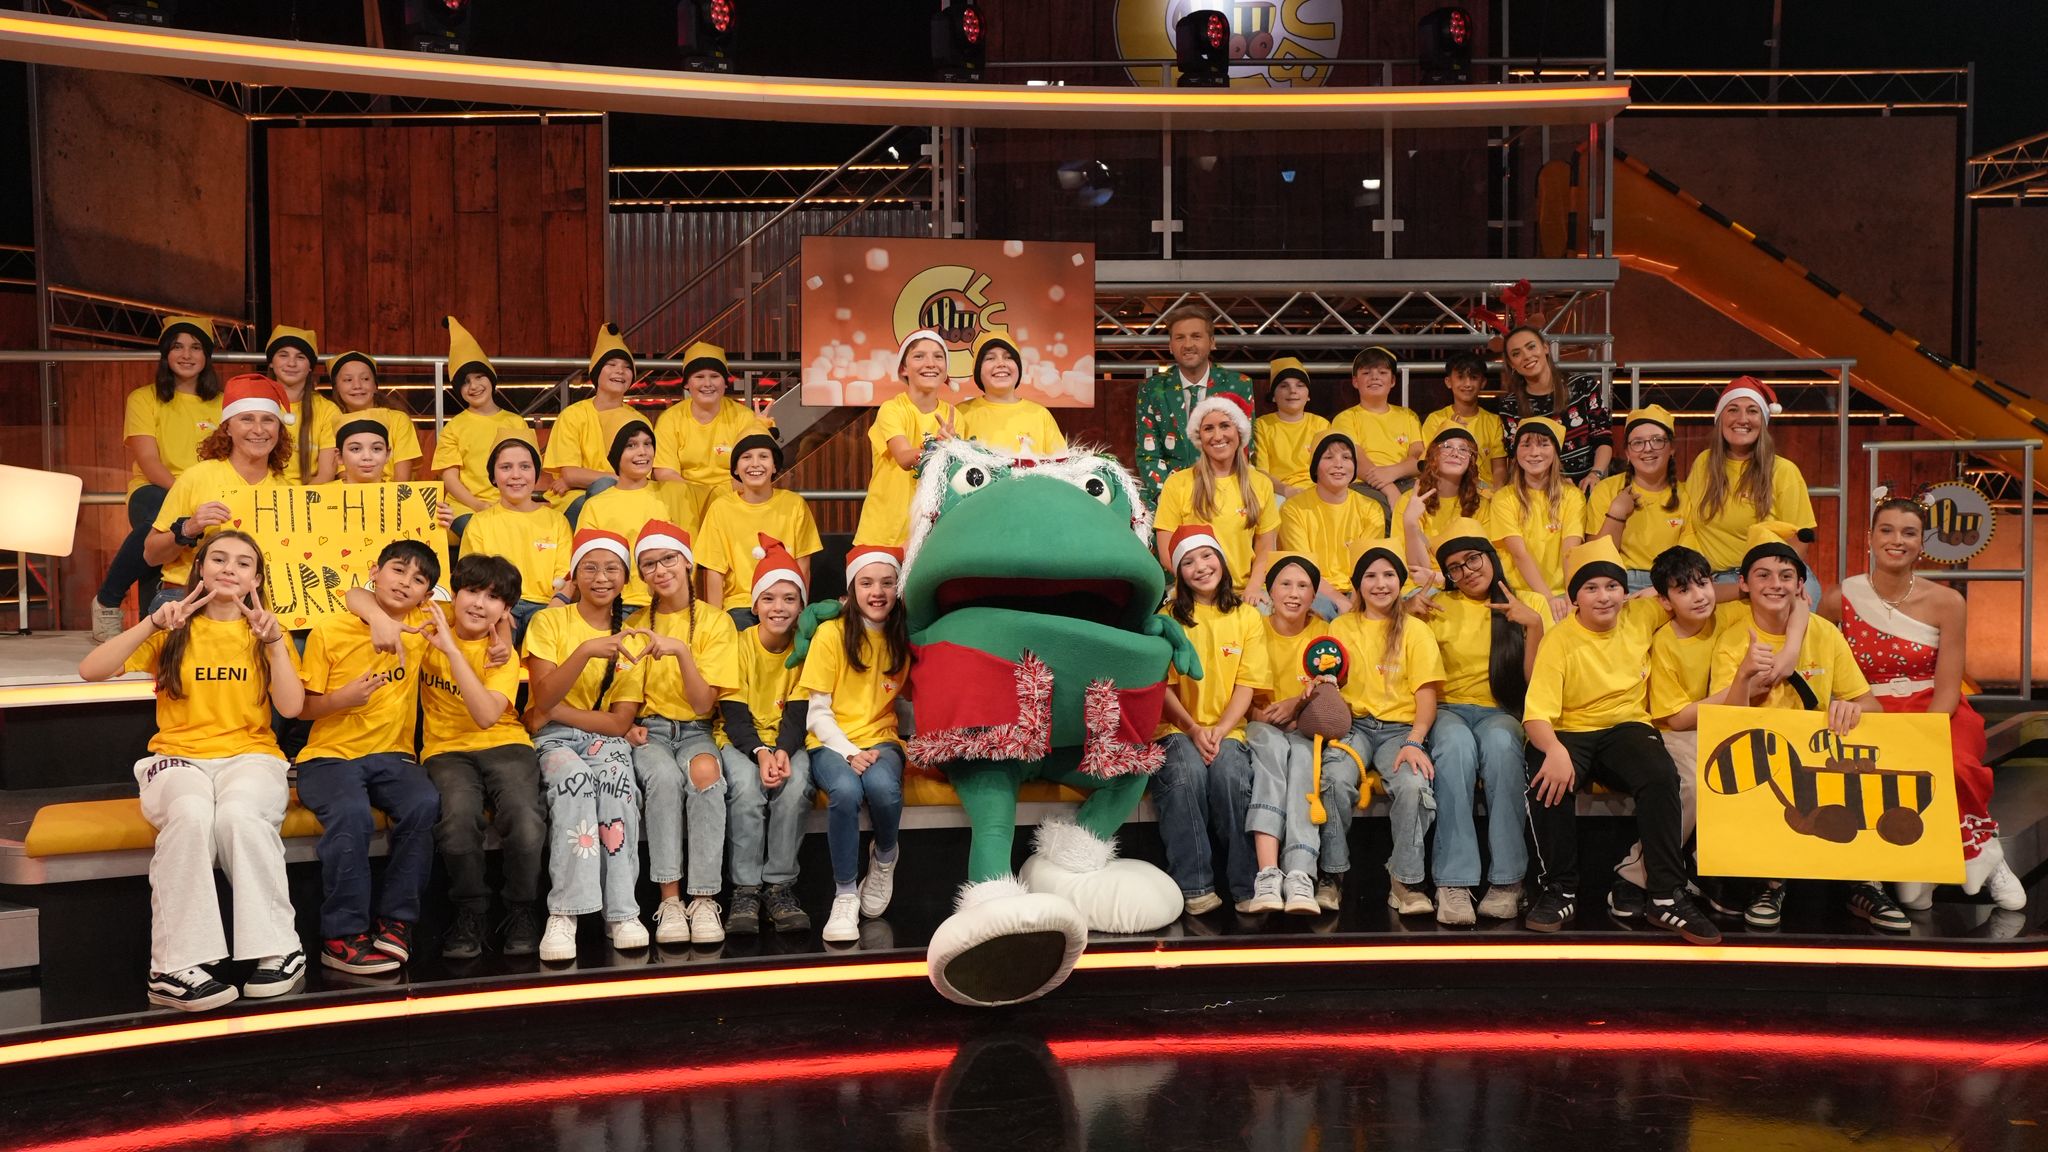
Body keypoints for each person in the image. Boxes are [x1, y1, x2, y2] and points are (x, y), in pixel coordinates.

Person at [78, 530, 304, 1012]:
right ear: (199, 569)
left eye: (243, 563)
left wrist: (274, 643)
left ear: (256, 579)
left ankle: (279, 949)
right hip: (177, 758)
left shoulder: (268, 631)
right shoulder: (172, 628)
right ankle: (172, 968)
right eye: (218, 559)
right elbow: (90, 670)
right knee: (191, 814)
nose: (229, 569)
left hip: (251, 755)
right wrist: (151, 624)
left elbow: (291, 706)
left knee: (239, 816)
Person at [1829, 494, 2025, 911]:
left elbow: (1949, 689)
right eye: (1886, 530)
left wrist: (1923, 737)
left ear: (1922, 543)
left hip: (1936, 709)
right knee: (1912, 898)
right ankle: (1916, 861)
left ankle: (1986, 854)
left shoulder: (1948, 602)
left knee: (1953, 764)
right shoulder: (1839, 598)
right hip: (1870, 710)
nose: (1896, 540)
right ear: (1869, 537)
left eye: (1909, 533)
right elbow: (1818, 663)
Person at [1522, 536, 1722, 944]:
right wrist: (1555, 750)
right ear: (1575, 598)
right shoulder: (1559, 640)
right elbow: (1536, 715)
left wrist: (1771, 594)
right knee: (1546, 780)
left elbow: (1690, 593)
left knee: (1661, 775)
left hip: (1626, 726)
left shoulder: (1641, 613)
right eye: (1591, 588)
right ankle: (1560, 888)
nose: (1604, 597)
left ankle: (1665, 894)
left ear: (1624, 592)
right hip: (1570, 730)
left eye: (1612, 586)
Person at [1712, 522, 1899, 932]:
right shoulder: (1732, 640)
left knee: (1862, 769)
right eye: (1763, 575)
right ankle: (1769, 882)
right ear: (1743, 584)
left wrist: (1851, 709)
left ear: (1800, 586)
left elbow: (1872, 705)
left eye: (1786, 576)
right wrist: (1744, 678)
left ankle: (1864, 882)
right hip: (1768, 759)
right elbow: (1726, 727)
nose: (1775, 585)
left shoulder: (1825, 634)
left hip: (1821, 756)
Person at [292, 541, 442, 975]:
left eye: (418, 579)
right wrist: (342, 699)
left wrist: (504, 633)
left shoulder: (421, 626)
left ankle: (397, 922)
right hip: (328, 757)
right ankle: (341, 936)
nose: (405, 583)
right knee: (352, 815)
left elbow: (482, 607)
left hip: (393, 756)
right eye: (398, 570)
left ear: (426, 594)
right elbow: (302, 708)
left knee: (424, 803)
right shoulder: (330, 630)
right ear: (375, 571)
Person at [1607, 544, 1773, 921]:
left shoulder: (1729, 615)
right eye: (1684, 590)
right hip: (1677, 731)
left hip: (1723, 726)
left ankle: (1715, 869)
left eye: (1703, 583)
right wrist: (1740, 689)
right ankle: (1635, 874)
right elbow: (1678, 718)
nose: (1699, 596)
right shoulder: (1665, 642)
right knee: (1691, 785)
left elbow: (1785, 607)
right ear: (1665, 602)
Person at [522, 528, 651, 962]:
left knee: (617, 782)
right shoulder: (547, 622)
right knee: (574, 782)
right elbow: (542, 695)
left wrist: (552, 710)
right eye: (590, 568)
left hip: (601, 737)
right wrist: (586, 651)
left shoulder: (632, 639)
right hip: (553, 740)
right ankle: (565, 912)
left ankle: (623, 912)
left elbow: (618, 723)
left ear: (625, 578)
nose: (601, 577)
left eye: (612, 568)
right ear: (574, 575)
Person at [1407, 519, 1543, 923]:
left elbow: (1535, 684)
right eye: (1455, 567)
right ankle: (1453, 881)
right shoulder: (1436, 605)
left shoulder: (1527, 603)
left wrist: (1533, 627)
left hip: (1501, 711)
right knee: (1454, 748)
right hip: (1448, 710)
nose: (1466, 571)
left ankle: (1508, 881)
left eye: (1472, 559)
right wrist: (1407, 612)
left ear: (1490, 557)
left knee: (1502, 747)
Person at [615, 520, 742, 946]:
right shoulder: (636, 624)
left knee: (706, 774)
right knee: (664, 779)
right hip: (650, 731)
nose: (660, 570)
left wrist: (682, 652)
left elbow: (704, 704)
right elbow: (627, 700)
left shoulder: (717, 622)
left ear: (687, 562)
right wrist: (627, 728)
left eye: (668, 558)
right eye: (649, 564)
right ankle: (669, 900)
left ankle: (703, 898)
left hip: (696, 729)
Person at [419, 553, 547, 960]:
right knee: (457, 819)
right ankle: (470, 911)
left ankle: (521, 910)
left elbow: (487, 715)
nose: (478, 603)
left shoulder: (502, 655)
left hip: (505, 742)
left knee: (525, 820)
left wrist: (455, 652)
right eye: (471, 591)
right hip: (445, 749)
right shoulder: (432, 620)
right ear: (453, 594)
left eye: (493, 598)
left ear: (507, 610)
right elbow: (357, 596)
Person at [1150, 525, 1270, 915]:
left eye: (1207, 556)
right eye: (1188, 562)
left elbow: (1247, 685)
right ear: (1179, 573)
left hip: (1228, 729)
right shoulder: (1168, 618)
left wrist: (1219, 730)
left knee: (1231, 776)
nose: (1200, 567)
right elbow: (1163, 688)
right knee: (1185, 773)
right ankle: (1195, 884)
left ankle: (1246, 885)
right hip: (1177, 727)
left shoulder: (1247, 616)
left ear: (1221, 559)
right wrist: (1193, 728)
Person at [1324, 541, 1446, 918]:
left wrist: (1415, 741)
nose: (1380, 584)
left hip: (1401, 730)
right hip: (1354, 726)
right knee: (1333, 779)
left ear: (1401, 581)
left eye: (1389, 575)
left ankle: (1406, 881)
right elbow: (1331, 681)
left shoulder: (1416, 630)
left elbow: (1426, 696)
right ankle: (1331, 875)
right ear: (1357, 584)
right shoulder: (1340, 626)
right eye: (1370, 576)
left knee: (1413, 785)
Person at [800, 545, 911, 944]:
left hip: (881, 739)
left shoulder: (903, 636)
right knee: (845, 791)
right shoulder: (830, 635)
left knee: (883, 788)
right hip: (831, 742)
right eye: (866, 583)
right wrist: (850, 752)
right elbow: (817, 713)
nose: (877, 592)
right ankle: (845, 892)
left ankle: (884, 857)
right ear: (851, 589)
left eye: (887, 583)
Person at [93, 315, 224, 642]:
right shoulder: (143, 398)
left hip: (208, 491)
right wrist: (185, 495)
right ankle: (109, 600)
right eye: (177, 346)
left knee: (173, 534)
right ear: (165, 353)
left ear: (206, 356)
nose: (186, 354)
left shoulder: (224, 403)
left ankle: (152, 628)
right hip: (154, 488)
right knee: (160, 521)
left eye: (196, 347)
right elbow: (149, 462)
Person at [717, 536, 814, 935]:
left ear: (801, 606)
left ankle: (779, 886)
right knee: (745, 788)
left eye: (790, 599)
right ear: (754, 605)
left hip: (788, 740)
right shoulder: (737, 644)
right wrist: (760, 751)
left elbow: (799, 711)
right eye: (769, 598)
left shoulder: (806, 650)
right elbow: (734, 714)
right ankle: (745, 890)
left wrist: (783, 751)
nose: (779, 607)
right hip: (741, 740)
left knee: (797, 785)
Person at [143, 374, 295, 615]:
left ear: (279, 429)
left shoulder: (287, 492)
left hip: (259, 602)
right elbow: (151, 555)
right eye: (246, 419)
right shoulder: (197, 477)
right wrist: (188, 528)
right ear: (228, 428)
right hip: (187, 596)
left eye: (268, 420)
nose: (258, 429)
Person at [1242, 555, 1331, 915]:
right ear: (1269, 591)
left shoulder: (1325, 632)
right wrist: (1257, 713)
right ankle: (1267, 873)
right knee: (1270, 751)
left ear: (1314, 595)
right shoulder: (1253, 627)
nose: (1294, 594)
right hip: (1261, 724)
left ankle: (1299, 874)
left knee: (1305, 761)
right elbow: (1237, 684)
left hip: (1306, 726)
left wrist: (1298, 705)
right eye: (1286, 584)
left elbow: (1332, 687)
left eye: (1303, 586)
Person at [1684, 377, 1820, 604]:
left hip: (1771, 577)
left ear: (1763, 420)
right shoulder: (1704, 463)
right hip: (1716, 582)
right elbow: (1688, 523)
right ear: (1720, 418)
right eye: (1733, 409)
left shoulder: (1784, 471)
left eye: (1752, 411)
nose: (1742, 419)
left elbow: (1800, 540)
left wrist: (1773, 579)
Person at [1153, 392, 1278, 605]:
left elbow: (1265, 548)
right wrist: (1202, 587)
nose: (1218, 436)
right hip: (1195, 593)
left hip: (1245, 594)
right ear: (1199, 437)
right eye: (1208, 428)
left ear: (1239, 432)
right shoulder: (1177, 483)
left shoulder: (1261, 484)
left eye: (1225, 426)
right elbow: (1166, 552)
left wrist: (1253, 588)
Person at [453, 438, 573, 644]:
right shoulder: (480, 522)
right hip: (497, 607)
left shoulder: (557, 521)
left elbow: (566, 577)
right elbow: (472, 578)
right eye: (506, 467)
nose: (516, 475)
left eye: (525, 467)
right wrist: (501, 611)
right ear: (493, 476)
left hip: (546, 606)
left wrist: (551, 612)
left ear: (536, 473)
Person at [1133, 307, 1254, 511]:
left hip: (1225, 497)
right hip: (1169, 498)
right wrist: (1169, 500)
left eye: (1196, 336)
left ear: (1212, 342)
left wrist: (1225, 498)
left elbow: (1244, 448)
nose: (1188, 344)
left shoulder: (1239, 384)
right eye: (1180, 337)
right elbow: (1148, 453)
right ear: (1170, 345)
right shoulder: (1152, 389)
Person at [697, 433, 823, 628]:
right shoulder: (720, 508)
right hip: (741, 604)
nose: (755, 464)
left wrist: (800, 610)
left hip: (784, 599)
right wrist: (715, 623)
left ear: (774, 466)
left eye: (763, 456)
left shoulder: (794, 504)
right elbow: (714, 571)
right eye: (746, 457)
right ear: (735, 469)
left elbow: (803, 566)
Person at [432, 316, 536, 539]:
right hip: (465, 507)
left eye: (479, 377)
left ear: (491, 379)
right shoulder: (454, 428)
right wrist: (478, 505)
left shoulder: (515, 422)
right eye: (465, 382)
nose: (474, 386)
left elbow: (528, 468)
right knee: (483, 532)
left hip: (509, 502)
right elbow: (450, 478)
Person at [851, 330, 956, 548]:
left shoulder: (955, 417)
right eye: (919, 356)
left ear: (946, 369)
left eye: (938, 356)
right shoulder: (891, 409)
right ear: (903, 369)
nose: (930, 363)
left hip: (930, 535)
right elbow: (904, 458)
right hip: (883, 533)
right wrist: (941, 447)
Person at [547, 324, 649, 526]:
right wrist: (618, 478)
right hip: (577, 499)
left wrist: (579, 479)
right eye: (611, 364)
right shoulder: (573, 415)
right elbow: (570, 473)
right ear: (596, 372)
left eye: (627, 367)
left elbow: (645, 473)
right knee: (603, 488)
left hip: (628, 496)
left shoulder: (639, 421)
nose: (620, 371)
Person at [1276, 433, 1387, 618]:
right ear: (1315, 467)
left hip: (1359, 590)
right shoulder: (1293, 509)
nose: (1339, 464)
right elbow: (1304, 568)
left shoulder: (1371, 509)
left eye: (1346, 457)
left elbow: (1368, 566)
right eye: (1329, 457)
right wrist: (1340, 600)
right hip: (1313, 588)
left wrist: (1355, 602)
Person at [1489, 415, 1584, 623]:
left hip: (1562, 591)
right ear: (1516, 452)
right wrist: (1547, 598)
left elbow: (1570, 550)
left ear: (1555, 451)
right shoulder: (1504, 498)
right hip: (1519, 593)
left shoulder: (1572, 496)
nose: (1534, 452)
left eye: (1543, 444)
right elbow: (1519, 553)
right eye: (1526, 444)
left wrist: (1571, 597)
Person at [1587, 405, 1689, 594]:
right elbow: (1596, 559)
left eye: (1657, 440)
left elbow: (1688, 562)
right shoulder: (1606, 490)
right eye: (1637, 442)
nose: (1647, 449)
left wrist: (1660, 590)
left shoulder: (1686, 495)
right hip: (1617, 584)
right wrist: (1617, 513)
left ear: (1672, 448)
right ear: (1627, 452)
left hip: (1671, 585)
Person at [1498, 324, 1611, 490]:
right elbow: (1517, 457)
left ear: (1545, 348)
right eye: (1516, 353)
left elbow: (1603, 437)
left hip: (1587, 485)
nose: (1526, 356)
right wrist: (1552, 485)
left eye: (1531, 347)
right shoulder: (1510, 405)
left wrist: (1595, 474)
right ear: (1511, 363)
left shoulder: (1583, 386)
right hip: (1539, 490)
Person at [574, 419, 667, 608]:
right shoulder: (596, 506)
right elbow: (586, 564)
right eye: (631, 445)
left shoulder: (675, 494)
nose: (642, 451)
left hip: (669, 603)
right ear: (618, 455)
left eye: (647, 444)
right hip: (619, 605)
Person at [653, 340, 769, 491]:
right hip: (685, 498)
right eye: (699, 377)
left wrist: (718, 498)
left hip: (734, 498)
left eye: (714, 376)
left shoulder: (744, 417)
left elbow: (753, 472)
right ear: (686, 383)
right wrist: (700, 496)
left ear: (725, 383)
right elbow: (665, 473)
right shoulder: (670, 419)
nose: (707, 383)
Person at [1393, 425, 1489, 591]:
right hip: (1421, 587)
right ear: (1432, 456)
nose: (1455, 453)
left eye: (1463, 449)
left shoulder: (1481, 504)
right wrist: (1411, 523)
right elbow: (1416, 570)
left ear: (1471, 460)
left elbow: (1484, 566)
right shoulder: (1409, 501)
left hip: (1468, 584)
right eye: (1447, 446)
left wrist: (1441, 579)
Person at [1330, 346, 1424, 513]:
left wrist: (1392, 473)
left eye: (1382, 372)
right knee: (1376, 511)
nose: (1374, 377)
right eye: (1366, 373)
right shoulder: (1345, 418)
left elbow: (1418, 458)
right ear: (1355, 381)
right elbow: (1356, 459)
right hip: (1363, 484)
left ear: (1393, 381)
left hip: (1405, 481)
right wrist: (1389, 489)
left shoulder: (1408, 416)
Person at [957, 331, 1066, 455]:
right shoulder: (959, 414)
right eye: (990, 358)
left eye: (1008, 357)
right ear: (978, 370)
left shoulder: (1041, 415)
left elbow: (1062, 463)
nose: (1001, 364)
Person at [327, 351, 421, 481]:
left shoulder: (399, 420)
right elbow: (346, 476)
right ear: (336, 388)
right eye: (348, 380)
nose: (357, 386)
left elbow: (402, 479)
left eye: (365, 379)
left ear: (375, 386)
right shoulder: (331, 422)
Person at [266, 324, 341, 485]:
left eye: (300, 357)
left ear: (310, 367)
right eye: (283, 355)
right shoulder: (255, 402)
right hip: (262, 493)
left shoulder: (328, 410)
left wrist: (295, 498)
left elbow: (326, 475)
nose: (291, 363)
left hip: (309, 495)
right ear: (271, 362)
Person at [1420, 352, 1508, 490]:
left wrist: (1497, 496)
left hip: (1485, 493)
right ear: (1448, 382)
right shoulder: (1436, 419)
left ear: (1483, 382)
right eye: (1460, 377)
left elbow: (1499, 469)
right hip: (1446, 491)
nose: (1467, 384)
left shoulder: (1494, 421)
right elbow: (1428, 463)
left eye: (1473, 378)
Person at [1253, 357, 1330, 499]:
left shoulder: (1321, 424)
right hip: (1277, 493)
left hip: (1318, 491)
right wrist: (1286, 490)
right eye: (1284, 386)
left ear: (1308, 396)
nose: (1292, 391)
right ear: (1273, 396)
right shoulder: (1261, 425)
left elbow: (1329, 467)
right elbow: (1260, 473)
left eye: (1300, 385)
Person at [332, 419, 392, 486]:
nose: (367, 457)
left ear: (387, 454)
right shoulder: (325, 491)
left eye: (376, 449)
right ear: (339, 456)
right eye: (356, 449)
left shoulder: (398, 491)